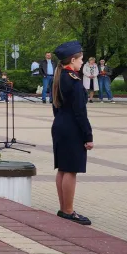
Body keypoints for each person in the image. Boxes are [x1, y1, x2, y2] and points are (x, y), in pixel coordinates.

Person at [51, 41, 93, 225]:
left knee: (63, 168)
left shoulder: (60, 77)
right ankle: (68, 210)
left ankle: (63, 208)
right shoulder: (74, 81)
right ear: (73, 59)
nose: (82, 62)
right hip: (72, 128)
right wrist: (88, 136)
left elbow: (55, 106)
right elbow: (80, 112)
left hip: (60, 125)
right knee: (71, 170)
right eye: (81, 59)